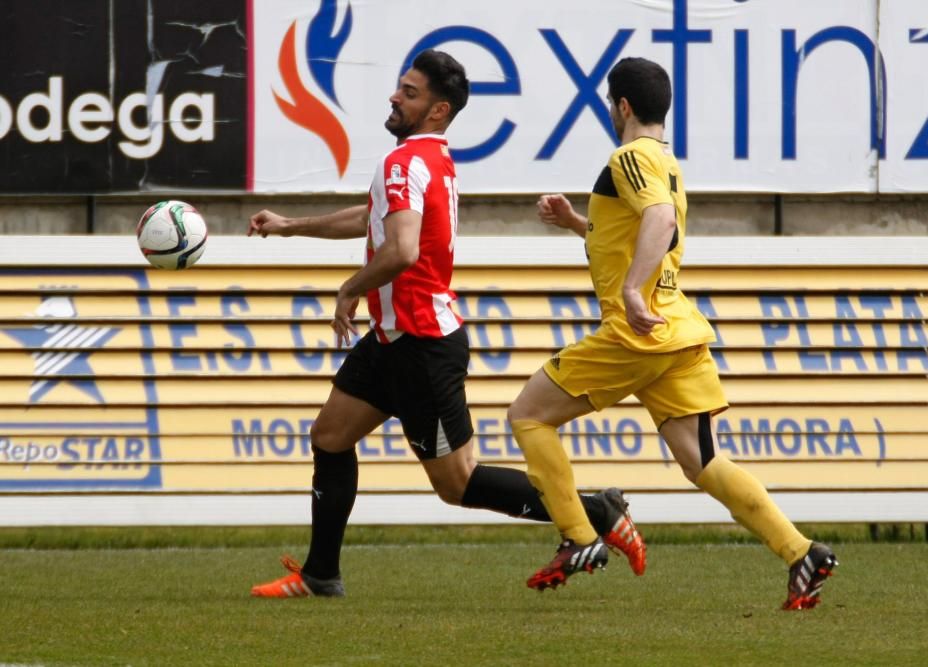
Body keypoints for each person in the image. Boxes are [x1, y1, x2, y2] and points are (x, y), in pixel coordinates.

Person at [248, 50, 646, 598]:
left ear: (437, 111)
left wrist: (349, 288)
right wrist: (291, 226)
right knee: (331, 437)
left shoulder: (405, 163)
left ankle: (596, 513)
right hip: (392, 340)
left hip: (422, 347)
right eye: (399, 87)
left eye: (409, 93)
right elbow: (373, 219)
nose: (394, 96)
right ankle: (320, 575)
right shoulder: (428, 160)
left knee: (458, 484)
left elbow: (404, 248)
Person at [508, 56, 837, 609]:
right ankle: (801, 551)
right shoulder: (664, 160)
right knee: (702, 462)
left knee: (528, 415)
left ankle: (580, 536)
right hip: (677, 331)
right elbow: (636, 228)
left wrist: (633, 291)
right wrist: (574, 222)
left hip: (638, 331)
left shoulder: (629, 155)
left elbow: (659, 221)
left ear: (623, 106)